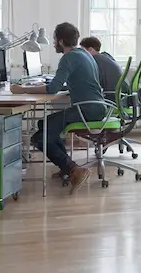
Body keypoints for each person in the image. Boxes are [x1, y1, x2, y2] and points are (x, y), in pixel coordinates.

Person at [11, 22, 106, 192]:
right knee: (44, 125)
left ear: (61, 41)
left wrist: (23, 89)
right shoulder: (84, 54)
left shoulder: (68, 58)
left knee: (40, 136)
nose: (54, 43)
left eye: (55, 40)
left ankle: (73, 169)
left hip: (87, 110)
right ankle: (67, 168)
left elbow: (52, 88)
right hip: (96, 106)